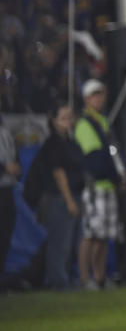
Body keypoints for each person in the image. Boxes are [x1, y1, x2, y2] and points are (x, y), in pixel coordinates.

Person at [75, 79, 125, 290]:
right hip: (94, 187)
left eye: (100, 94)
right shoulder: (85, 124)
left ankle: (100, 278)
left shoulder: (103, 122)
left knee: (103, 236)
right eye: (94, 95)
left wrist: (118, 175)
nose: (98, 98)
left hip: (107, 186)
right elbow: (94, 159)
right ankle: (85, 279)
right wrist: (114, 175)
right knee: (90, 235)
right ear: (86, 99)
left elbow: (110, 154)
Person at [29, 103, 86, 289]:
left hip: (74, 195)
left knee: (69, 243)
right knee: (59, 243)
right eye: (63, 118)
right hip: (59, 198)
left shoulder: (70, 141)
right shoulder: (53, 143)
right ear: (54, 121)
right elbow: (58, 173)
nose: (68, 122)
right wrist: (69, 200)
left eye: (70, 117)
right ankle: (58, 281)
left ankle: (65, 279)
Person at [0, 114, 19, 274]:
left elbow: (13, 153)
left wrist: (16, 166)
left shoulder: (4, 129)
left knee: (5, 236)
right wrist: (4, 168)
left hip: (7, 189)